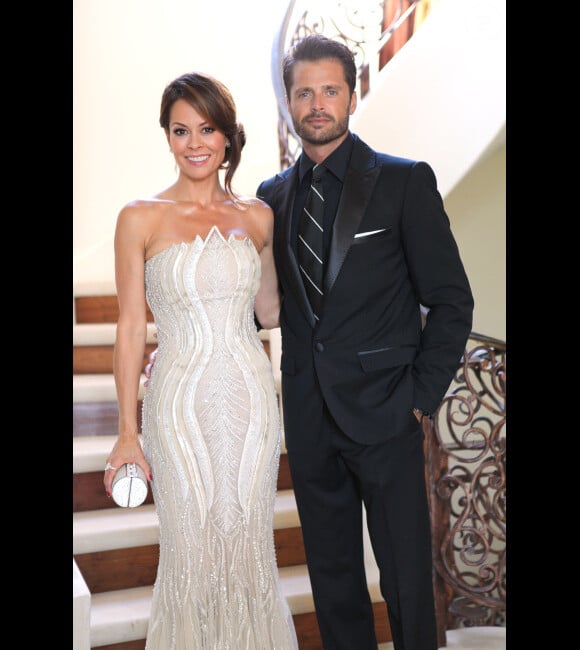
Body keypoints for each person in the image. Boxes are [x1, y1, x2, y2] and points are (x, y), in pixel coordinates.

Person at [255, 35, 474, 650]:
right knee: (333, 581)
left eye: (330, 90)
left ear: (352, 95)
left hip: (389, 414)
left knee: (407, 580)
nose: (317, 104)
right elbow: (266, 307)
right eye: (304, 92)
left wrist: (419, 398)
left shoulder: (404, 183)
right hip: (309, 417)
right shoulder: (270, 199)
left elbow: (453, 300)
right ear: (289, 102)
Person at [103, 71, 298, 650]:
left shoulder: (259, 216)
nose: (194, 143)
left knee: (247, 544)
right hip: (177, 404)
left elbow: (269, 312)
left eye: (206, 129)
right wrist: (126, 431)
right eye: (180, 130)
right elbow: (131, 324)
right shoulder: (138, 217)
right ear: (166, 136)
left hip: (250, 401)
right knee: (190, 547)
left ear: (227, 137)